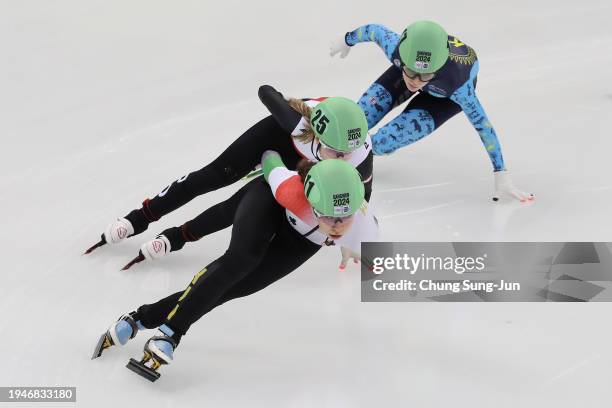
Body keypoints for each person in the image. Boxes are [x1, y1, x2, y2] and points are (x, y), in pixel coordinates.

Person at [92, 157, 379, 381]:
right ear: (310, 202)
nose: (337, 225)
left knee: (238, 287)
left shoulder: (365, 229)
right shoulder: (289, 190)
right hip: (268, 201)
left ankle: (141, 318)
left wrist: (352, 247)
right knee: (241, 259)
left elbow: (399, 268)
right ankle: (170, 333)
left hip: (301, 240)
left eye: (345, 217)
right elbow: (270, 158)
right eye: (328, 216)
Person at [84, 88, 373, 270]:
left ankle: (178, 237)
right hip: (277, 139)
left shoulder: (359, 156)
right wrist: (289, 110)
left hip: (299, 168)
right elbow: (266, 92)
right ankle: (138, 218)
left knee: (239, 206)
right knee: (211, 177)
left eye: (349, 153)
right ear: (316, 136)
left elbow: (359, 199)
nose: (344, 160)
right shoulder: (299, 126)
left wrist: (350, 240)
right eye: (336, 153)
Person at [329, 20, 534, 202]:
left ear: (437, 68)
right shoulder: (396, 48)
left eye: (424, 75)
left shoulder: (458, 84)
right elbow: (373, 30)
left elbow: (483, 125)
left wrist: (501, 172)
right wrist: (346, 40)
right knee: (356, 119)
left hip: (444, 98)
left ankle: (347, 159)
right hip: (421, 74)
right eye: (411, 72)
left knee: (383, 143)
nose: (415, 81)